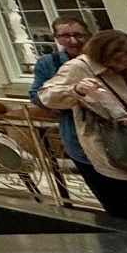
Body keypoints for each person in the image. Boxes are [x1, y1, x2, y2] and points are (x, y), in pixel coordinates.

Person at [36, 30, 127, 228]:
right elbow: (46, 95)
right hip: (107, 151)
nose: (124, 65)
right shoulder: (79, 68)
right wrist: (77, 90)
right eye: (118, 61)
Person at [29, 18, 110, 210]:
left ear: (88, 35)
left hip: (113, 133)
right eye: (66, 36)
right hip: (77, 136)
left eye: (78, 35)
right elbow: (36, 94)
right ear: (57, 38)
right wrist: (62, 101)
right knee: (105, 194)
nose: (73, 41)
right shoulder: (48, 63)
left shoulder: (103, 58)